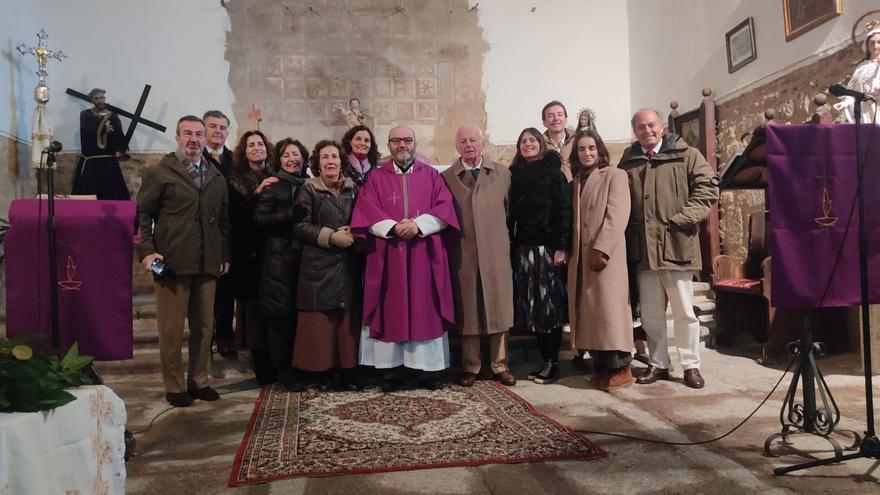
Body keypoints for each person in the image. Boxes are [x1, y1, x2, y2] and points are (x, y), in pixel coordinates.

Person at [351, 125, 460, 392]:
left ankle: (427, 370)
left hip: (424, 255)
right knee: (391, 306)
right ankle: (391, 371)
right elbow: (366, 209)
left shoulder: (432, 176)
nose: (403, 145)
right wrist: (392, 226)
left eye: (408, 140)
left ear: (415, 144)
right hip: (389, 256)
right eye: (397, 141)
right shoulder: (376, 178)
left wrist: (419, 225)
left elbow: (445, 208)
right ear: (388, 145)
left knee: (426, 308)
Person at [619, 108, 718, 389]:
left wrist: (681, 220)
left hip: (676, 245)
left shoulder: (686, 154)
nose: (646, 131)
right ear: (634, 130)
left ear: (661, 126)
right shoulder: (629, 161)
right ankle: (659, 363)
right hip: (644, 251)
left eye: (651, 125)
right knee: (651, 314)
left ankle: (691, 365)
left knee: (685, 311)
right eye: (640, 127)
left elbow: (707, 190)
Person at [136, 115, 229, 407]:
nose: (194, 139)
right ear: (177, 136)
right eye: (187, 133)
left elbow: (224, 221)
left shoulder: (216, 176)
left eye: (199, 134)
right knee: (172, 328)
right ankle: (175, 385)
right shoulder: (160, 173)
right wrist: (148, 253)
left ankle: (198, 380)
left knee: (204, 328)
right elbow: (141, 216)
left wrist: (224, 254)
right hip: (172, 262)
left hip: (207, 262)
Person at [441, 125, 515, 387]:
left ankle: (500, 364)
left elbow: (510, 213)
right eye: (463, 141)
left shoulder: (502, 174)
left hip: (496, 251)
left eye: (473, 140)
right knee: (469, 308)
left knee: (499, 306)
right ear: (457, 146)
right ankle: (470, 365)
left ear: (482, 144)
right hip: (463, 252)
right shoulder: (447, 177)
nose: (468, 145)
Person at [290, 140, 362, 390]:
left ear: (342, 161)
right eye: (324, 158)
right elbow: (299, 225)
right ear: (316, 164)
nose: (330, 161)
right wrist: (330, 236)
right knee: (319, 321)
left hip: (347, 263)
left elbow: (363, 216)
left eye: (334, 156)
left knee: (345, 319)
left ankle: (345, 371)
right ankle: (318, 372)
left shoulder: (353, 189)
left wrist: (355, 230)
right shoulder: (308, 190)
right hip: (319, 264)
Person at [566, 129, 634, 391]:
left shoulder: (614, 175)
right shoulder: (577, 182)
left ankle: (621, 367)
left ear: (600, 151)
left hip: (606, 255)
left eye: (591, 148)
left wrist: (602, 248)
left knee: (610, 312)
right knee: (593, 313)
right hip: (582, 257)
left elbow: (617, 213)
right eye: (581, 149)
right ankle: (603, 366)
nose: (587, 153)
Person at [508, 127, 572, 384]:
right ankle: (543, 358)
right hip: (523, 248)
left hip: (547, 249)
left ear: (541, 144)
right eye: (523, 141)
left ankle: (552, 362)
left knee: (549, 306)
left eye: (532, 140)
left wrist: (561, 247)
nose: (528, 144)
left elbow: (564, 211)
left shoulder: (553, 173)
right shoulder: (513, 175)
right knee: (532, 307)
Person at [253, 138, 309, 388]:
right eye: (286, 155)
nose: (292, 159)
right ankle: (283, 370)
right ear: (280, 160)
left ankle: (301, 365)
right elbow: (258, 220)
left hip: (304, 259)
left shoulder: (308, 185)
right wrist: (289, 215)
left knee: (299, 317)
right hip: (278, 261)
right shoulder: (273, 187)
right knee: (280, 317)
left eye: (296, 155)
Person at [229, 130, 277, 384]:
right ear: (243, 151)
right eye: (251, 145)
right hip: (249, 257)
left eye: (260, 143)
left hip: (275, 255)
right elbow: (238, 220)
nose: (257, 148)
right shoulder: (236, 181)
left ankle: (278, 362)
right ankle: (262, 368)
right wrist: (258, 192)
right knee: (254, 315)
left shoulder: (276, 176)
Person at [201, 110, 236, 358]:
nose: (218, 131)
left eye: (223, 127)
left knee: (226, 292)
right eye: (212, 126)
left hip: (230, 233)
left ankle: (224, 335)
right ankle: (205, 338)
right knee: (204, 293)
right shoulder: (194, 159)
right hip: (203, 235)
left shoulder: (236, 160)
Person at [72, 88, 130, 200]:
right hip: (92, 163)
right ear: (92, 100)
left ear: (105, 98)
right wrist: (103, 125)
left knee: (114, 192)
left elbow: (118, 131)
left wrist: (120, 149)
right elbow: (88, 128)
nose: (100, 100)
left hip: (109, 162)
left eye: (102, 98)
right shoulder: (86, 115)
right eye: (96, 98)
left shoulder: (113, 115)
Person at [834, 26, 880, 123]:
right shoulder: (862, 66)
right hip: (863, 111)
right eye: (872, 42)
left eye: (879, 42)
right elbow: (853, 90)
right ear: (867, 45)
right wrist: (846, 102)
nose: (875, 45)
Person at [541, 100, 574, 182]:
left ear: (566, 119)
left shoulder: (578, 142)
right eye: (551, 116)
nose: (556, 118)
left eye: (560, 114)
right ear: (544, 122)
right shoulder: (539, 146)